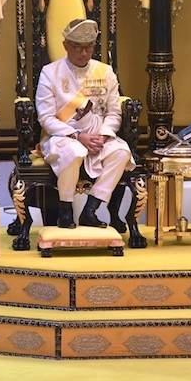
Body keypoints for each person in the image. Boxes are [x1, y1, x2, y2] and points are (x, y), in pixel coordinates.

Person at [36, 18, 135, 229]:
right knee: (75, 151)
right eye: (78, 48)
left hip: (98, 137)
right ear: (66, 45)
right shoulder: (50, 73)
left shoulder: (105, 72)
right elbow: (46, 118)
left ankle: (91, 210)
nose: (84, 53)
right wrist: (77, 136)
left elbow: (114, 113)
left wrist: (104, 136)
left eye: (89, 48)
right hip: (62, 137)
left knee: (121, 152)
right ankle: (65, 211)